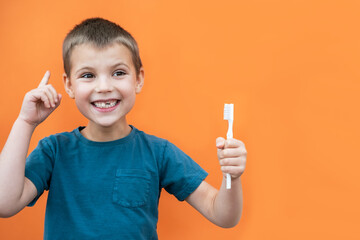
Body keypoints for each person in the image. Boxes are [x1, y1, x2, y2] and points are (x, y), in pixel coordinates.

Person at [0, 18, 247, 239]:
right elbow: (4, 203)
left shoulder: (158, 153)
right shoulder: (54, 151)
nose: (104, 86)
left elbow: (222, 215)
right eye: (88, 75)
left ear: (138, 79)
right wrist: (26, 122)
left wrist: (232, 177)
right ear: (69, 85)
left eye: (118, 73)